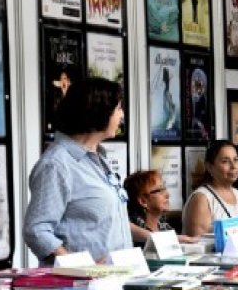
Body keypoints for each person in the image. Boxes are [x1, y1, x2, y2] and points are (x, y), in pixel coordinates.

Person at [23, 77, 132, 263]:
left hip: (116, 281)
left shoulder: (99, 157)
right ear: (100, 112)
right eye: (118, 108)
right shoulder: (56, 164)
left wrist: (154, 238)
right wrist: (83, 268)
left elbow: (108, 220)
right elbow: (37, 230)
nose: (122, 115)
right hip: (81, 286)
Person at [182, 140, 238, 236]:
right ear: (209, 167)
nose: (233, 166)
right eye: (225, 161)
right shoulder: (202, 199)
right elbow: (197, 246)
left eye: (236, 160)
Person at [123, 170, 197, 245]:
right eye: (159, 190)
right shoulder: (129, 231)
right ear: (143, 201)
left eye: (164, 189)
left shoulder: (164, 226)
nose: (167, 195)